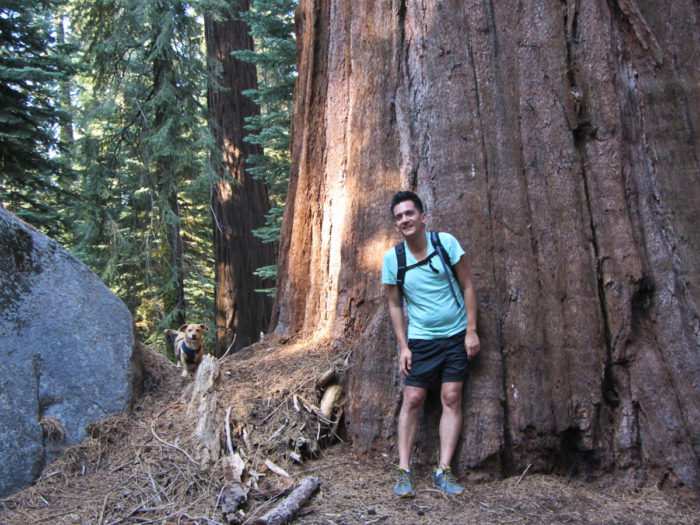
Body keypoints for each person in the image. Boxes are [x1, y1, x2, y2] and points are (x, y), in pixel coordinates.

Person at [382, 190, 480, 498]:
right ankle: (404, 471)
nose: (404, 220)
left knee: (452, 396)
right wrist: (403, 346)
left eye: (409, 213)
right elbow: (395, 305)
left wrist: (471, 331)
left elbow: (467, 285)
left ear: (423, 217)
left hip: (455, 335)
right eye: (399, 216)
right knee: (412, 399)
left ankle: (444, 470)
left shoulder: (445, 244)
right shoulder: (393, 259)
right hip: (422, 339)